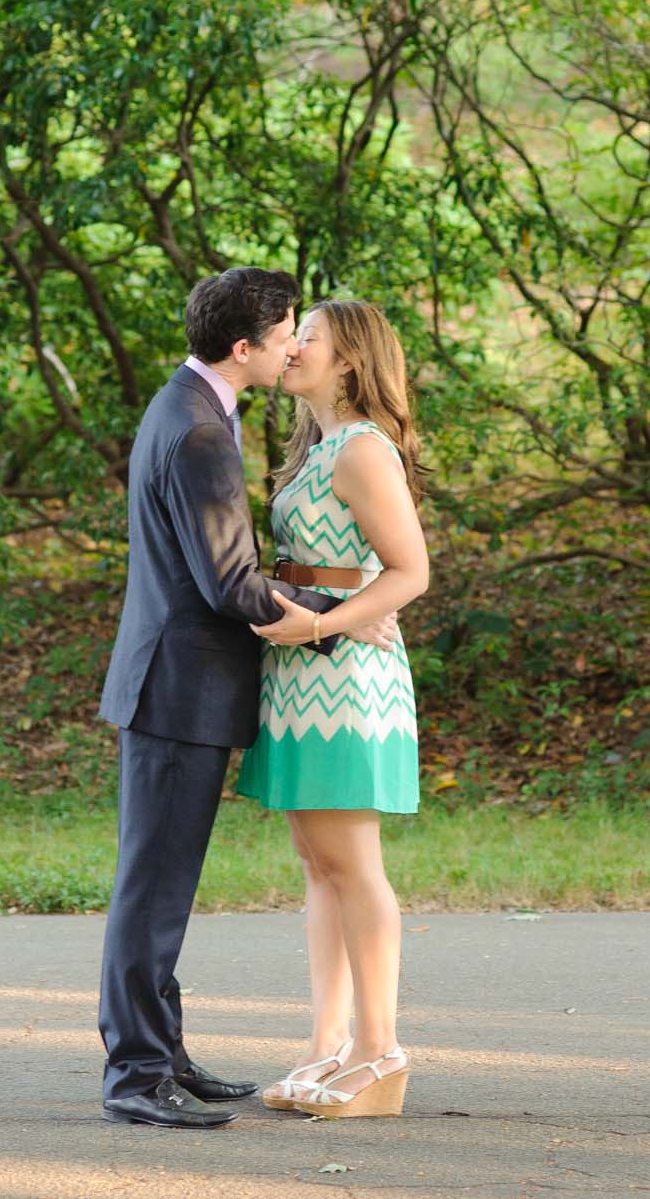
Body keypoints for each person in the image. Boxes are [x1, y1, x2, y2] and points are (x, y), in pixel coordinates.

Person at [95, 268, 400, 1129]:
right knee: (152, 891)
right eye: (286, 333)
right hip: (175, 690)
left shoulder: (190, 408)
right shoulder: (199, 431)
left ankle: (163, 1052)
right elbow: (231, 584)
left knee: (161, 886)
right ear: (245, 347)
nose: (294, 344)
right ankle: (137, 1075)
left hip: (176, 685)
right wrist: (339, 613)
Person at [237, 299, 429, 1119]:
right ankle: (330, 1044)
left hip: (348, 678)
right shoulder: (314, 448)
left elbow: (409, 570)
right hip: (300, 677)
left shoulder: (361, 449)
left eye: (305, 336)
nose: (290, 348)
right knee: (319, 864)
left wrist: (322, 620)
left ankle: (382, 1053)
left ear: (348, 359)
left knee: (354, 864)